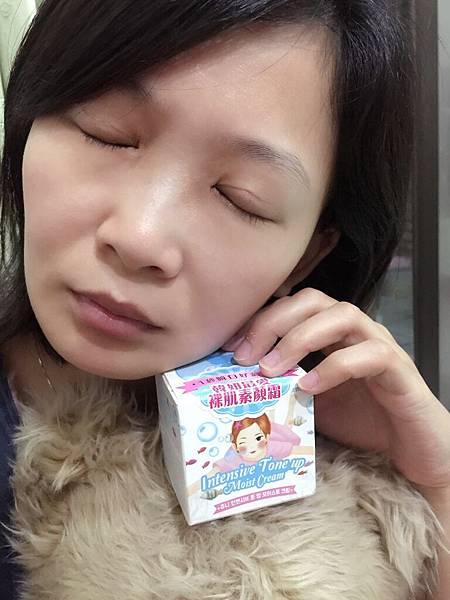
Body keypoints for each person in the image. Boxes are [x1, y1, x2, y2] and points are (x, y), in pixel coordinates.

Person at [0, 0, 449, 598]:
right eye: (106, 133)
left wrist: (437, 481)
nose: (140, 237)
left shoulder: (343, 449)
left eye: (241, 198)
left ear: (308, 255)